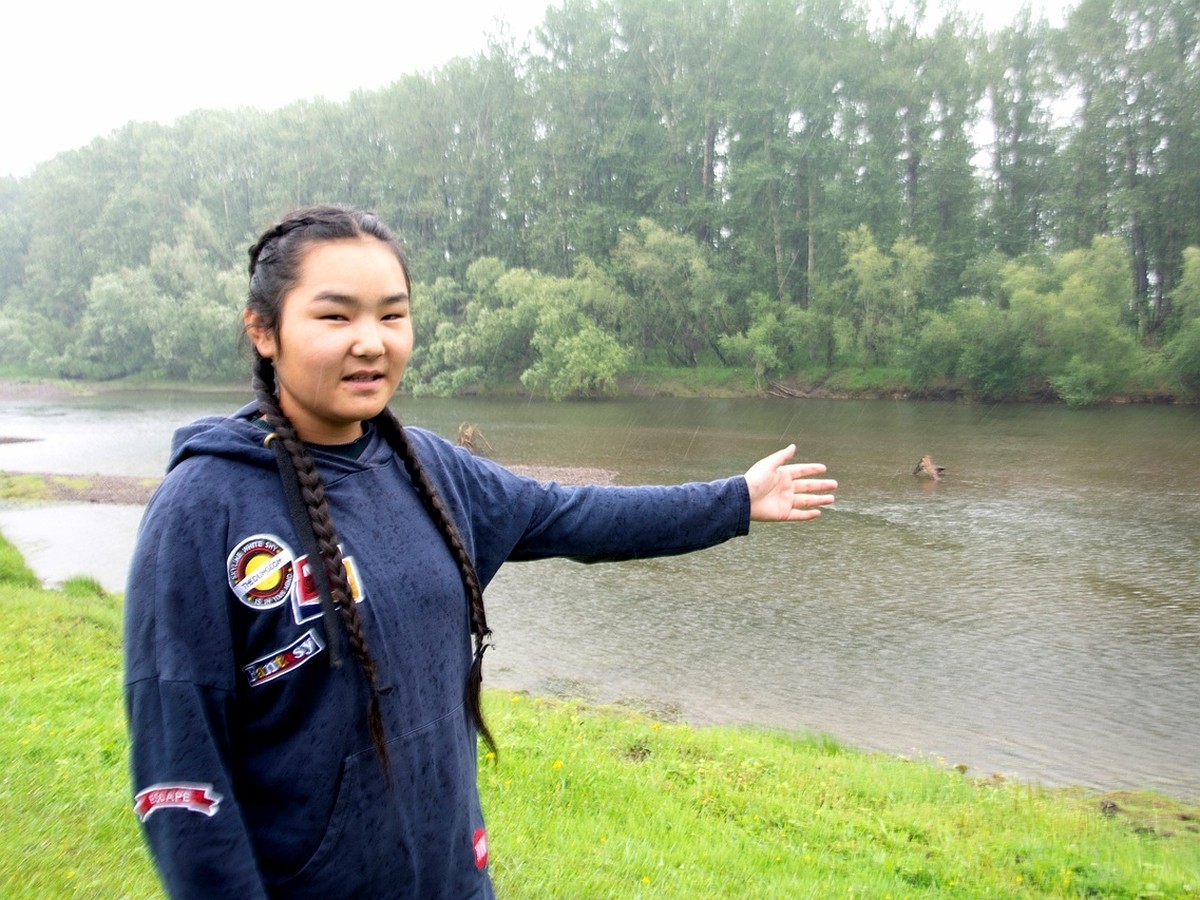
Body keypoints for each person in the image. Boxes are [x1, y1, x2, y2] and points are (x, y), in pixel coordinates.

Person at [123, 204, 837, 899]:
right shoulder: (205, 507)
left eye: (391, 315)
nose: (370, 341)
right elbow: (181, 780)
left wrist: (736, 500)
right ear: (264, 330)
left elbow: (576, 515)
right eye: (335, 316)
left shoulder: (430, 470)